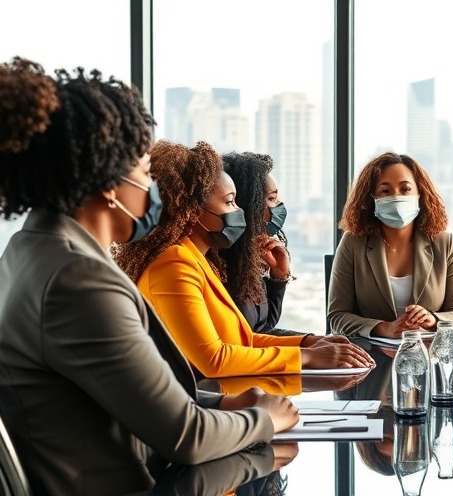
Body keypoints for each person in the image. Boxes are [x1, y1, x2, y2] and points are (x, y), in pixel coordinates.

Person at [0, 57, 298, 495]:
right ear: (108, 182)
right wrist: (265, 419)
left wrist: (228, 403)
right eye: (144, 174)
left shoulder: (28, 251)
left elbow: (136, 397)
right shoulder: (77, 281)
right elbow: (185, 437)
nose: (152, 192)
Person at [114, 140, 374, 378]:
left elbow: (244, 340)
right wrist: (306, 356)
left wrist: (308, 343)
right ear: (193, 212)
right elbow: (214, 360)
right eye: (230, 202)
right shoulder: (174, 265)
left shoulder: (198, 260)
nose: (239, 212)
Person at [328, 152, 453, 337]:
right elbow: (337, 317)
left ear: (420, 193)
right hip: (370, 358)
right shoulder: (353, 243)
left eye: (405, 189)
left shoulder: (444, 243)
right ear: (371, 198)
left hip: (429, 356)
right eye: (385, 191)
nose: (396, 198)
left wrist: (433, 320)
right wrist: (384, 329)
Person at [218, 150, 349, 343]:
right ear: (247, 204)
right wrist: (307, 344)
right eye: (271, 199)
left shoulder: (250, 256)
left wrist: (278, 277)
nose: (279, 205)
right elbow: (245, 341)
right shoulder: (220, 265)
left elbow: (265, 325)